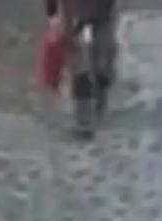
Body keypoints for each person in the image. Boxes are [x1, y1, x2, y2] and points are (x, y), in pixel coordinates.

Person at [43, 0, 118, 139]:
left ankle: (100, 110)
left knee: (102, 67)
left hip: (102, 12)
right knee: (79, 68)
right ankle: (83, 124)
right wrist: (52, 13)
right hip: (73, 14)